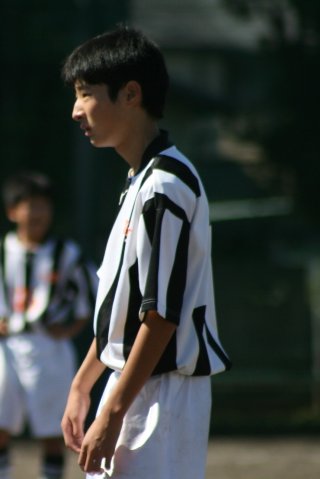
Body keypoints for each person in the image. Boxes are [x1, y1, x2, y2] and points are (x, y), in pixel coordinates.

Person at [59, 27, 232, 478]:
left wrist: (113, 413)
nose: (76, 110)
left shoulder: (164, 186)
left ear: (131, 94)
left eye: (86, 94)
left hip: (161, 393)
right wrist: (82, 385)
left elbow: (160, 317)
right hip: (136, 385)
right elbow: (124, 309)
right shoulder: (141, 180)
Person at [0, 171, 97, 479]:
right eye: (30, 206)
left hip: (49, 348)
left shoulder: (67, 254)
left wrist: (69, 330)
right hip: (3, 347)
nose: (38, 213)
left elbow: (94, 299)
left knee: (53, 429)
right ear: (12, 211)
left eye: (43, 206)